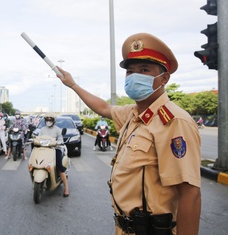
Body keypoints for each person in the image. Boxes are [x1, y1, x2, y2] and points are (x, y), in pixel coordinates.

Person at [56, 33, 201, 234]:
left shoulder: (174, 121)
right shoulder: (133, 114)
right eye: (130, 71)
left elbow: (190, 193)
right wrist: (73, 85)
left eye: (144, 70)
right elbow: (104, 108)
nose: (134, 77)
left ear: (164, 78)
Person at [37, 113, 69, 197]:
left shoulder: (57, 129)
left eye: (50, 120)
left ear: (53, 121)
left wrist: (58, 142)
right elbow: (38, 138)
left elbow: (60, 139)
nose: (48, 121)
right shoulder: (42, 129)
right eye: (47, 120)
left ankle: (66, 188)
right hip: (44, 150)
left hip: (55, 149)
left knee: (59, 166)